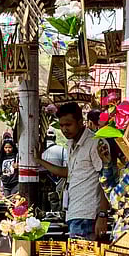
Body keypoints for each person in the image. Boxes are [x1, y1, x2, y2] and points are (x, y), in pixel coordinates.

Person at [36, 102, 107, 240]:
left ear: (81, 122)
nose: (64, 129)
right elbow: (69, 173)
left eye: (68, 125)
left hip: (88, 215)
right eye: (61, 125)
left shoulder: (95, 143)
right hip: (73, 212)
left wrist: (103, 214)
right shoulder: (70, 144)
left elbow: (105, 179)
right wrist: (39, 160)